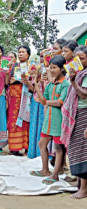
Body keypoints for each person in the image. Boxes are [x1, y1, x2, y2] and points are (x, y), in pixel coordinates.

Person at [30, 56, 69, 185]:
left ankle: (55, 174)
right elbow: (43, 100)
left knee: (58, 148)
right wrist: (36, 87)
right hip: (49, 119)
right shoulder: (51, 84)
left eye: (54, 68)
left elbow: (60, 102)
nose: (52, 70)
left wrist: (46, 101)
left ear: (62, 68)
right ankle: (45, 170)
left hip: (59, 120)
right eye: (50, 67)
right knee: (42, 143)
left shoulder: (65, 84)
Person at [61, 46, 87, 199]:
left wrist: (73, 82)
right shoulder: (79, 74)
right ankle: (79, 184)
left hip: (84, 114)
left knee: (83, 152)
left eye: (82, 58)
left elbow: (84, 94)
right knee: (76, 150)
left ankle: (84, 188)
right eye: (78, 59)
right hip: (76, 114)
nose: (79, 62)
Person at [6, 45, 33, 156]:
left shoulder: (32, 67)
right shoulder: (13, 66)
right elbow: (7, 82)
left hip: (26, 97)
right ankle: (14, 148)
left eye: (23, 52)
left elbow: (34, 84)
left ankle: (27, 147)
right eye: (19, 51)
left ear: (28, 55)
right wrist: (9, 76)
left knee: (26, 121)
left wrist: (25, 81)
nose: (20, 53)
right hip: (14, 97)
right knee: (13, 121)